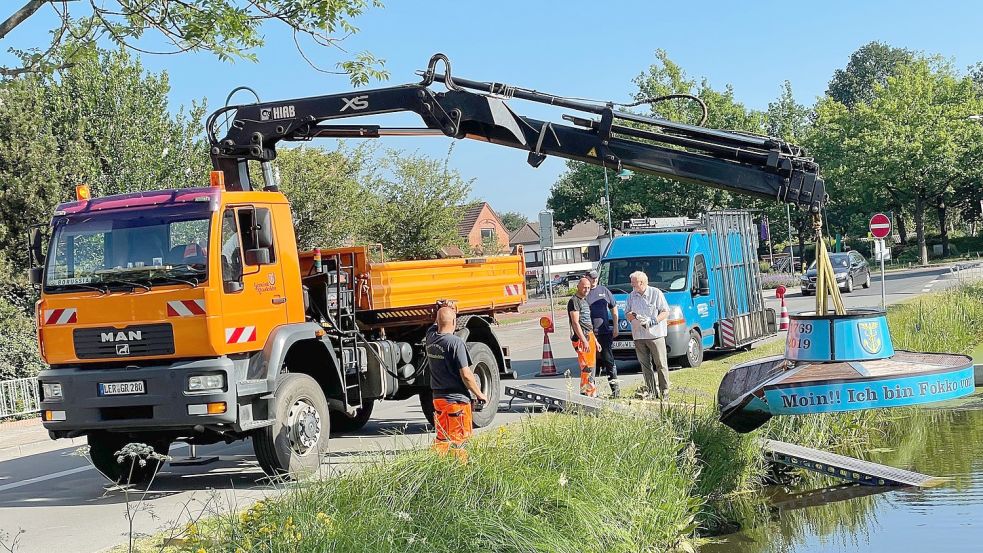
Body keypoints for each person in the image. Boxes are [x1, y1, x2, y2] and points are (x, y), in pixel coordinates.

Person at [425, 305, 488, 460]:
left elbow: (437, 323)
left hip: (438, 399)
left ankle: (439, 466)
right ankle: (461, 471)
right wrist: (480, 394)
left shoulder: (430, 337)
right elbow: (466, 375)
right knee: (460, 441)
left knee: (442, 438)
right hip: (456, 402)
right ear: (454, 322)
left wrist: (442, 309)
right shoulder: (455, 343)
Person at [625, 270, 671, 399]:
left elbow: (666, 311)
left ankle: (665, 391)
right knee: (645, 365)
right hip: (639, 335)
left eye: (634, 283)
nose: (632, 285)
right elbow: (627, 313)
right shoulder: (631, 296)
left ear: (642, 282)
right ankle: (651, 391)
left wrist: (653, 320)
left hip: (655, 335)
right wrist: (631, 315)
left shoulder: (656, 293)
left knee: (661, 364)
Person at [585, 269, 621, 398]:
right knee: (591, 365)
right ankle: (591, 392)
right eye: (591, 278)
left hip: (604, 332)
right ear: (586, 278)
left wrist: (615, 326)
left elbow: (613, 307)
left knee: (609, 361)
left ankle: (616, 392)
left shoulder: (603, 290)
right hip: (589, 334)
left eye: (595, 278)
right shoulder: (584, 292)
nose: (594, 280)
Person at [567, 277, 599, 397]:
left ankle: (590, 391)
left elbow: (587, 323)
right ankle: (586, 393)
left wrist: (594, 339)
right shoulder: (574, 301)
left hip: (589, 336)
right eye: (584, 287)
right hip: (582, 338)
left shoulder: (584, 301)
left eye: (588, 288)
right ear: (578, 287)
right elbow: (576, 323)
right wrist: (584, 340)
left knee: (591, 366)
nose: (586, 290)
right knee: (586, 367)